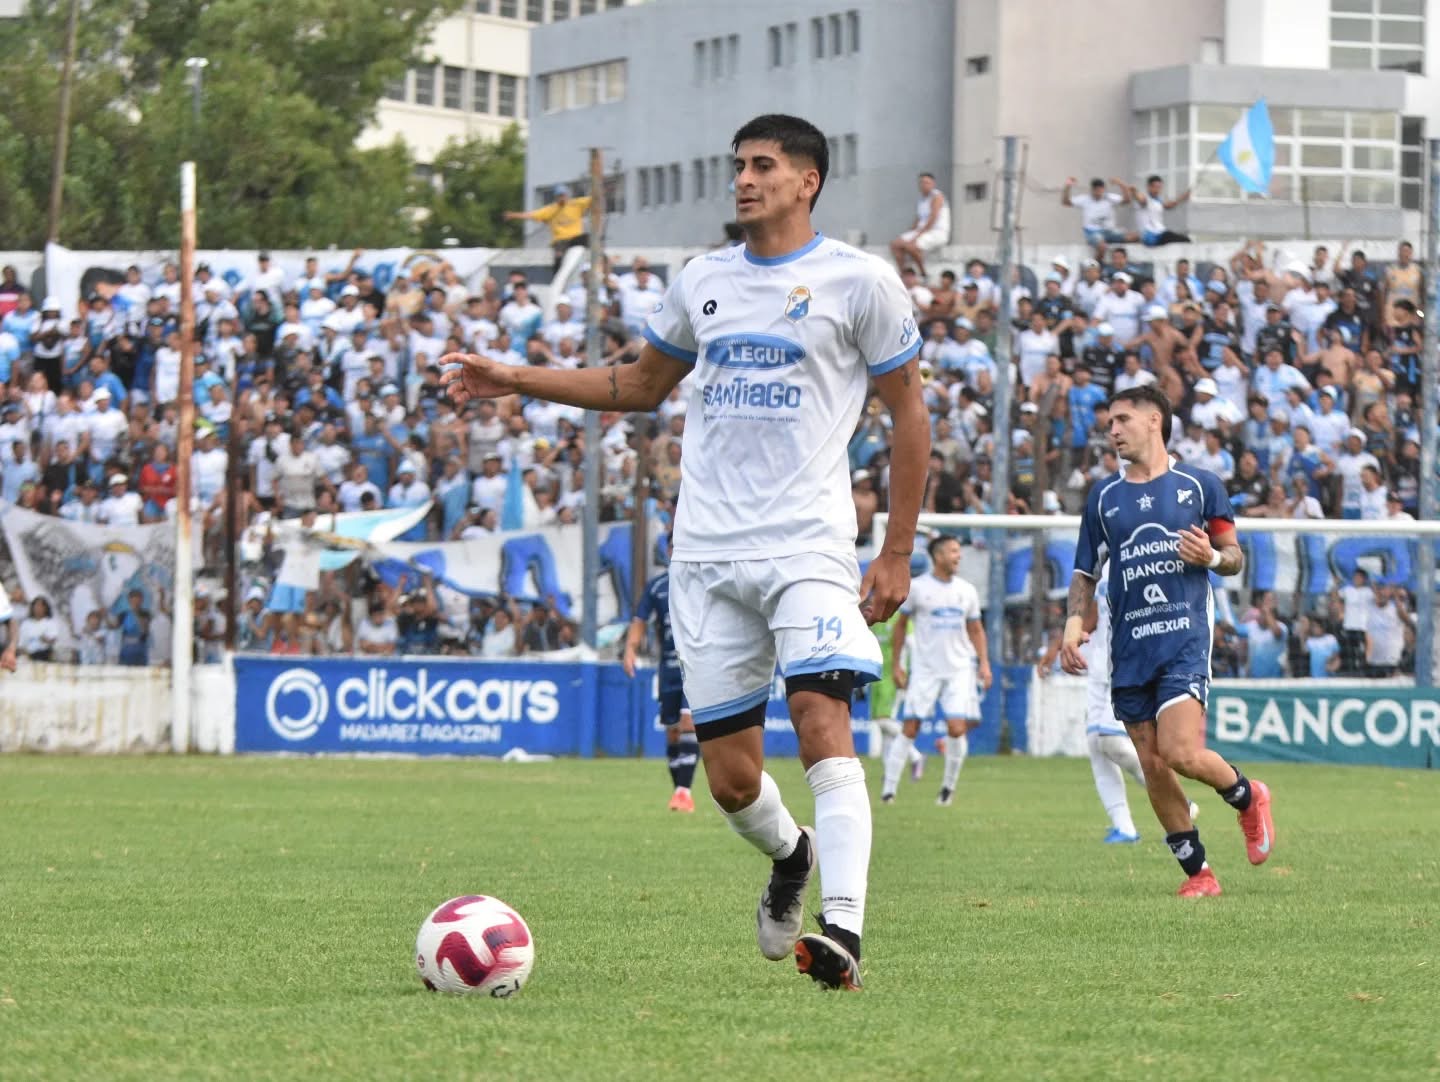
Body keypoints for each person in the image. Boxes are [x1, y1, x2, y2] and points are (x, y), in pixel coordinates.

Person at [442, 113, 929, 991]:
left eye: (764, 165)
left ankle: (845, 932)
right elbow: (638, 384)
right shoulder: (702, 280)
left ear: (808, 180)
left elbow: (910, 416)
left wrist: (895, 551)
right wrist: (517, 378)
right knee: (733, 783)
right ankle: (791, 858)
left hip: (808, 549)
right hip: (704, 557)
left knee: (824, 723)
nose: (745, 178)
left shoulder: (861, 284)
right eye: (739, 164)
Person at [1062, 385, 1275, 898]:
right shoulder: (1104, 497)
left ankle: (1247, 797)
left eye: (1122, 419)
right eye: (1110, 422)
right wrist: (1073, 622)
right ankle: (1199, 875)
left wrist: (1211, 559)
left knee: (1179, 751)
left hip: (1183, 638)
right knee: (1152, 763)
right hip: (1128, 647)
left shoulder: (1200, 486)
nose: (1112, 430)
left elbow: (1234, 556)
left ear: (1155, 420)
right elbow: (1085, 571)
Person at [1081, 577, 1199, 843]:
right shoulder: (1102, 564)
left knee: (1112, 744)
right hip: (1098, 665)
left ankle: (1180, 803)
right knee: (1095, 745)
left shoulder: (1136, 557)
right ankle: (1124, 827)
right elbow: (1095, 613)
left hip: (1124, 666)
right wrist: (1063, 642)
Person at [879, 535, 990, 807]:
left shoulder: (967, 591)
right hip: (925, 669)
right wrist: (896, 665)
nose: (958, 556)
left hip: (959, 669)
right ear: (938, 556)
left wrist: (984, 663)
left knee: (956, 727)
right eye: (954, 551)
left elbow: (976, 629)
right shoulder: (917, 588)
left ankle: (947, 790)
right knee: (910, 727)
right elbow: (901, 627)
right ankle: (888, 791)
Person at [623, 546, 700, 813]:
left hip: (696, 665)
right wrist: (630, 649)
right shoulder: (657, 587)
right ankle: (679, 792)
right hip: (667, 668)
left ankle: (684, 791)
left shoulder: (702, 580)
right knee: (673, 730)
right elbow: (640, 619)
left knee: (689, 721)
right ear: (669, 550)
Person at [504, 185, 593, 269]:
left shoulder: (576, 204)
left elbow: (593, 198)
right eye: (559, 196)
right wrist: (513, 215)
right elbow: (531, 215)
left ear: (567, 196)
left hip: (575, 237)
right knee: (559, 255)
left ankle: (592, 261)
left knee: (587, 238)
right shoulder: (551, 210)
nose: (562, 198)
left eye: (563, 196)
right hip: (561, 240)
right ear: (556, 198)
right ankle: (557, 272)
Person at [889, 172, 951, 278]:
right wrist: (909, 233)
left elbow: (932, 219)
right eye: (922, 182)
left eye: (927, 183)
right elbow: (918, 220)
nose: (924, 185)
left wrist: (916, 236)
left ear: (933, 184)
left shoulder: (937, 196)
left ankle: (923, 273)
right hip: (922, 231)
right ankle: (903, 274)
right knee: (895, 244)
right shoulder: (922, 200)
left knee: (911, 246)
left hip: (936, 232)